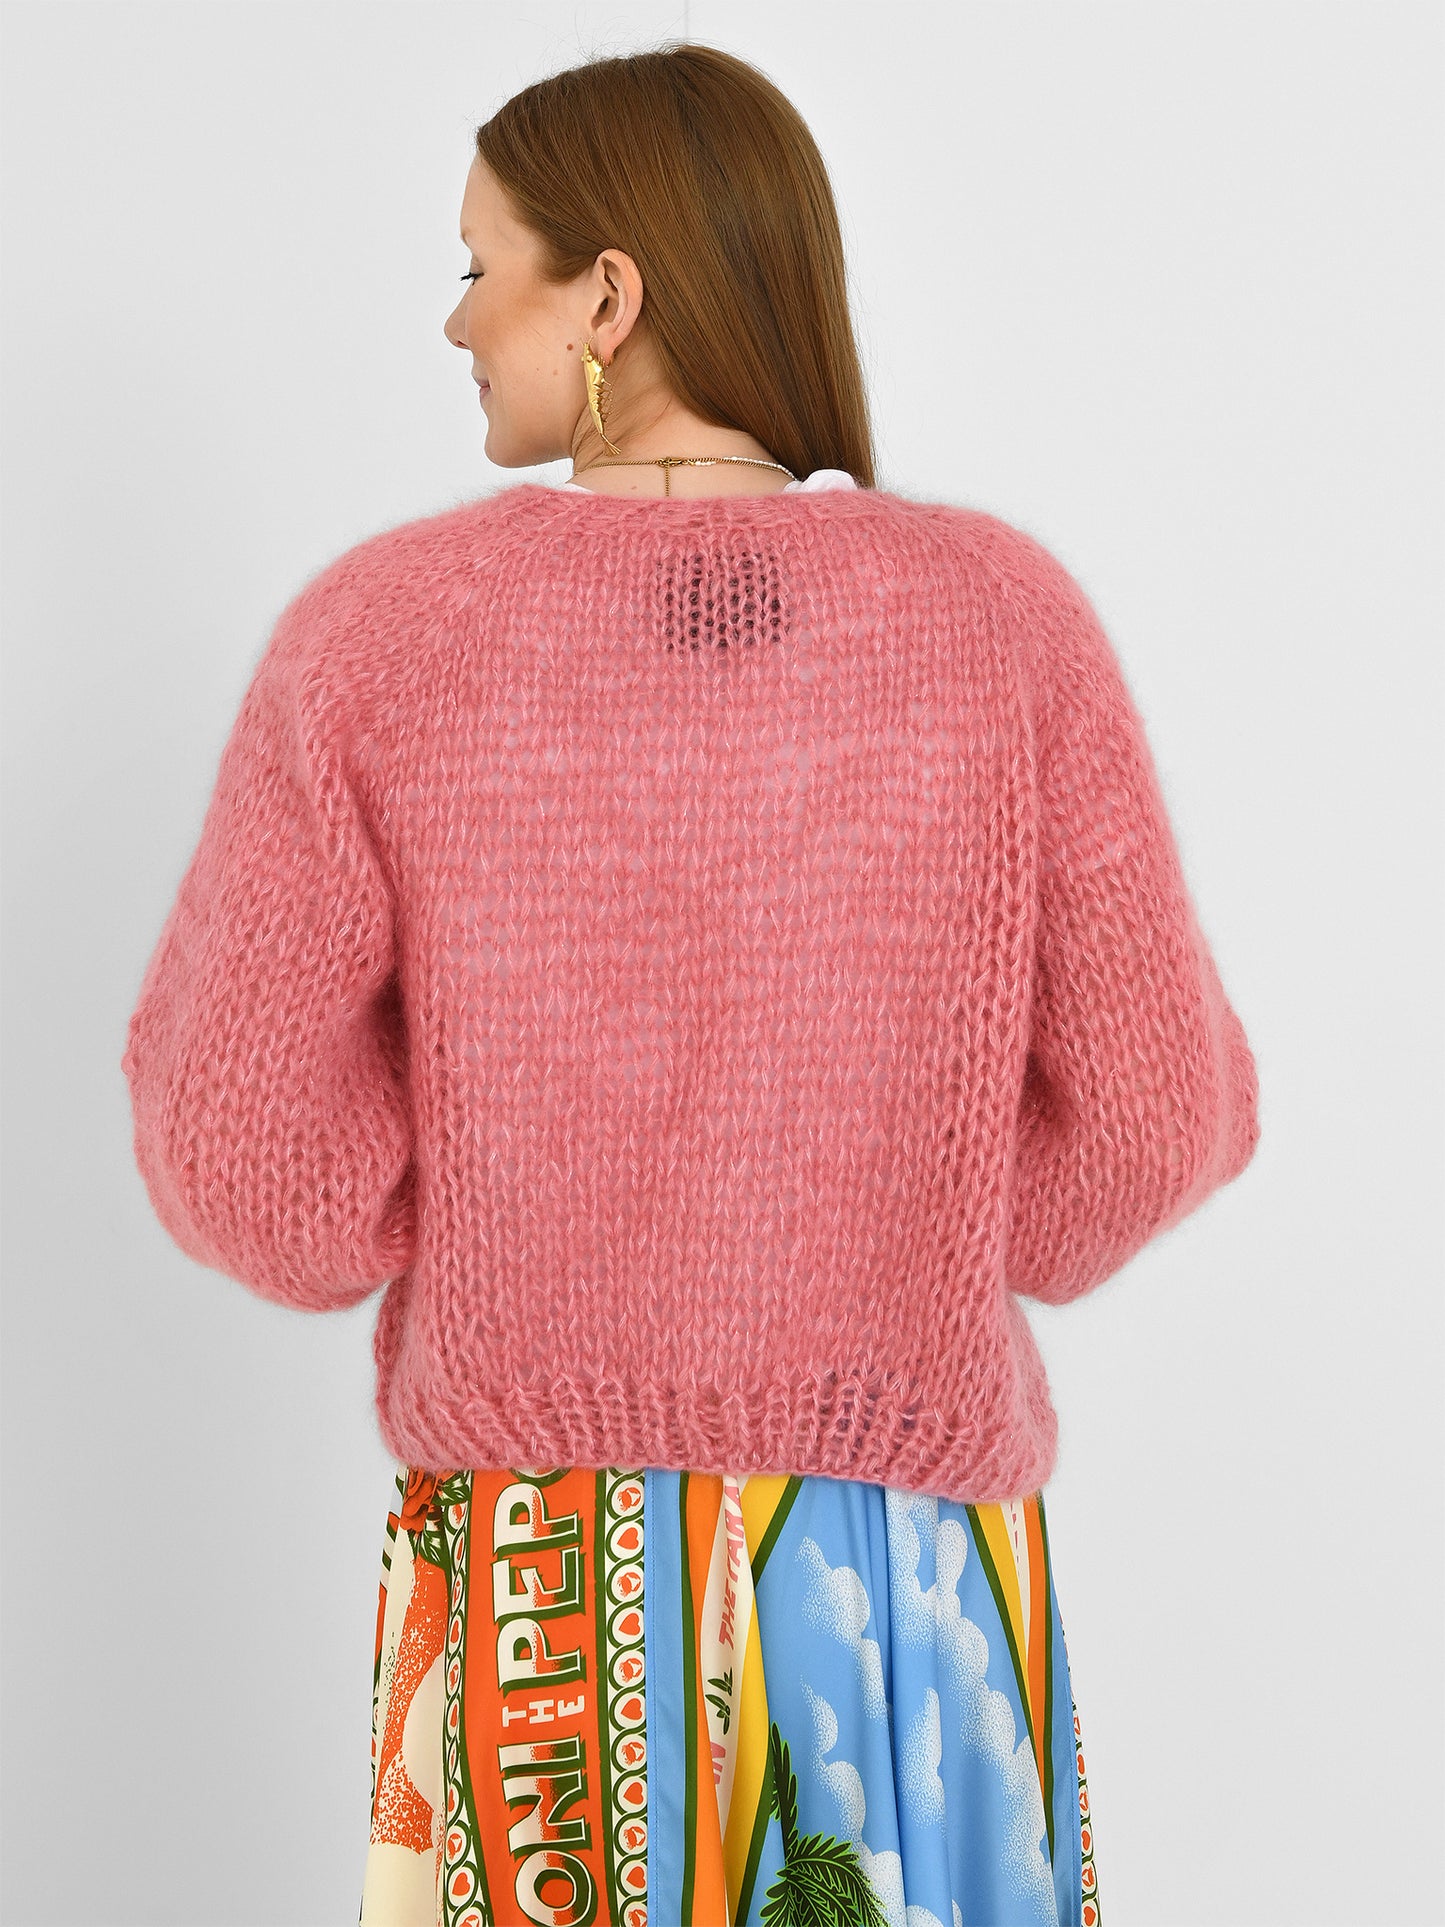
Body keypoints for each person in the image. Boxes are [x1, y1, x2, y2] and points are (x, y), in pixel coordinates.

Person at [120, 41, 1259, 1927]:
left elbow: (253, 1175)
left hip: (543, 1591)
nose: (456, 318)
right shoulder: (1000, 622)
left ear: (607, 296)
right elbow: (1156, 1118)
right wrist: (908, 1234)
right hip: (901, 1582)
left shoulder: (377, 640)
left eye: (481, 265)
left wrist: (481, 1215)